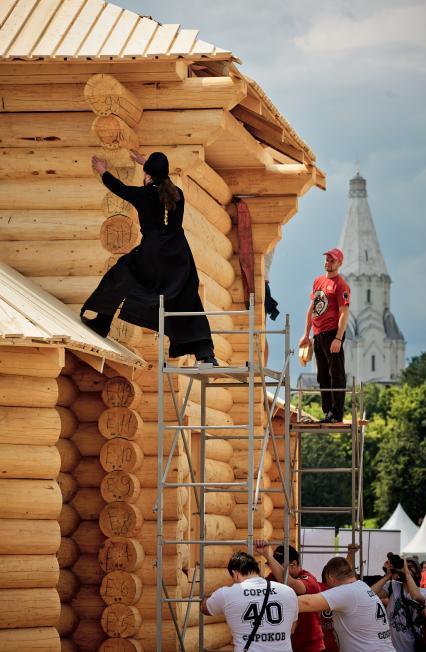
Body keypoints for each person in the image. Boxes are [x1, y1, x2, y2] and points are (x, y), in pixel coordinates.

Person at [82, 150, 218, 365]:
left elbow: (119, 188)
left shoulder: (143, 195)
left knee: (122, 274)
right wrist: (148, 165)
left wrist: (103, 171)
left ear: (147, 176)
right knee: (187, 299)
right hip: (179, 255)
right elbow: (166, 183)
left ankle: (102, 322)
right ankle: (206, 353)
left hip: (153, 253)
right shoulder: (178, 194)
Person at [201, 551, 298, 651]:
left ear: (235, 574)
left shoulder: (226, 594)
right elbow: (292, 629)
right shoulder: (288, 592)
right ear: (258, 570)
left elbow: (205, 608)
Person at [298, 556, 395, 651]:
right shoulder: (361, 585)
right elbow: (342, 565)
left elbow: (307, 603)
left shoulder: (347, 591)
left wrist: (283, 596)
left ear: (330, 578)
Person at [299, 248, 350, 423]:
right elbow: (311, 308)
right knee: (322, 375)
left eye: (332, 261)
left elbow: (344, 313)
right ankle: (327, 412)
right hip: (318, 334)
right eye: (327, 260)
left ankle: (336, 414)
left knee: (336, 374)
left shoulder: (341, 284)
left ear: (339, 263)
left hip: (332, 334)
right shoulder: (318, 281)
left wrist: (338, 338)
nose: (328, 263)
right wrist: (306, 334)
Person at [254, 540, 324, 652]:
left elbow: (291, 584)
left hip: (309, 647)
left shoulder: (308, 578)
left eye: (278, 566)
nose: (273, 569)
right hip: (284, 645)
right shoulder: (273, 577)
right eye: (271, 565)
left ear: (294, 564)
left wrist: (268, 555)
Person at [371, 556, 426, 652]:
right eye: (405, 566)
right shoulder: (393, 586)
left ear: (417, 572)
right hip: (389, 647)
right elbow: (370, 594)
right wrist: (388, 575)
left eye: (410, 566)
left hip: (410, 647)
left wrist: (406, 572)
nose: (405, 568)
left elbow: (416, 597)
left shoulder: (423, 591)